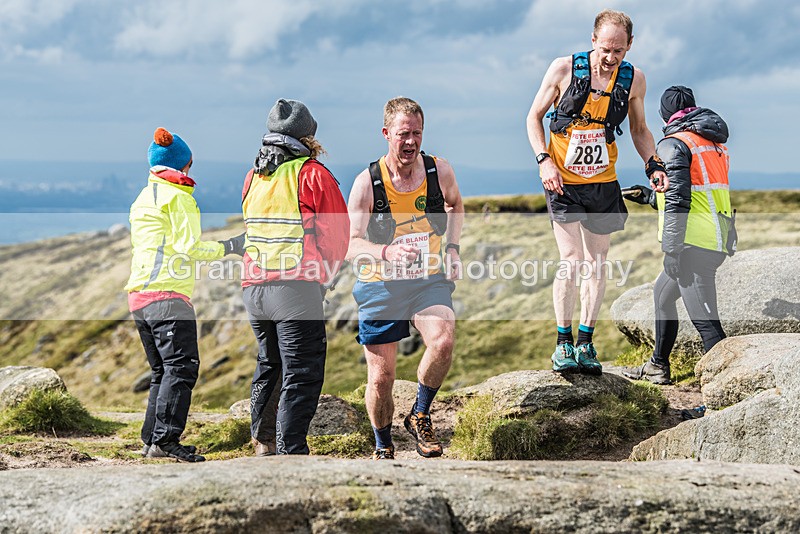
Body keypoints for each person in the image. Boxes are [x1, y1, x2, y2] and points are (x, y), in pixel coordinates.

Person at [526, 9, 668, 375]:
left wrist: (653, 163)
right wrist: (544, 160)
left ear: (629, 46)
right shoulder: (563, 69)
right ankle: (563, 344)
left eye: (618, 51)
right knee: (571, 260)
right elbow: (533, 117)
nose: (610, 57)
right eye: (605, 49)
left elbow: (639, 129)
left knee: (598, 263)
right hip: (561, 180)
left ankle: (586, 341)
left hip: (602, 180)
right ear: (593, 41)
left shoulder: (633, 79)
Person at [347, 97, 464, 460]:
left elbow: (455, 203)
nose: (411, 142)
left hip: (426, 279)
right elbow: (348, 244)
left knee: (442, 341)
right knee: (382, 378)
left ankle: (420, 414)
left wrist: (453, 247)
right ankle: (383, 444)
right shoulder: (368, 183)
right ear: (386, 134)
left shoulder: (438, 171)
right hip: (379, 283)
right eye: (403, 134)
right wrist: (386, 252)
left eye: (416, 133)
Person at [126, 127, 245, 462]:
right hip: (167, 295)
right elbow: (188, 247)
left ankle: (152, 440)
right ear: (183, 165)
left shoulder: (144, 196)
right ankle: (166, 440)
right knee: (182, 366)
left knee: (162, 370)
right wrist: (229, 246)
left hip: (139, 295)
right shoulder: (179, 197)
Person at [241, 99, 349, 455]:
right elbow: (337, 235)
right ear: (308, 136)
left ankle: (263, 441)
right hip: (294, 287)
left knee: (270, 363)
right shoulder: (312, 173)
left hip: (254, 288)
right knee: (302, 370)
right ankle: (292, 451)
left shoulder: (254, 176)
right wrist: (325, 278)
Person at [622, 86, 734, 385]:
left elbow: (679, 201)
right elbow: (693, 193)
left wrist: (672, 251)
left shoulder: (673, 144)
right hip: (712, 238)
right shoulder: (711, 143)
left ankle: (723, 394)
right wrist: (648, 197)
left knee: (708, 327)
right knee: (662, 296)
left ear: (664, 114)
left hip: (692, 246)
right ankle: (658, 366)